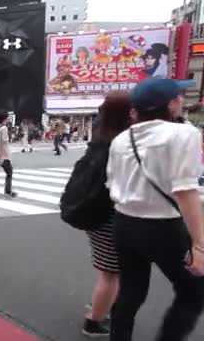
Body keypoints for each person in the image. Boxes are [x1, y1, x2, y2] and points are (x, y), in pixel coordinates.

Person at [107, 78, 204, 341]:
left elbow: (112, 183)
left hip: (124, 223)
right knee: (194, 291)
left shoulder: (122, 139)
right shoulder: (184, 134)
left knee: (132, 289)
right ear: (170, 103)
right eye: (179, 96)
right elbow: (185, 191)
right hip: (163, 227)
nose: (182, 100)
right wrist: (199, 244)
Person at [79, 93, 132, 337]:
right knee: (111, 274)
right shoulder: (120, 143)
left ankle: (100, 306)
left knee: (106, 270)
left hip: (95, 214)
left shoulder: (100, 138)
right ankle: (94, 321)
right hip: (111, 216)